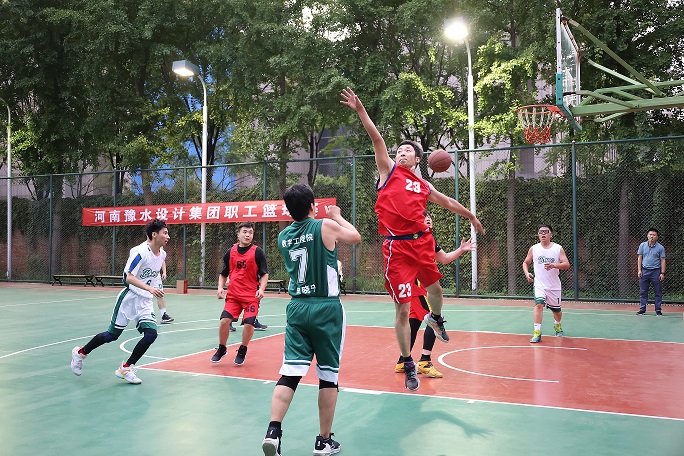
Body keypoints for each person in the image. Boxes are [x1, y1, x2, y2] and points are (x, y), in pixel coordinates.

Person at [341, 87, 485, 391]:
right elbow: (377, 139)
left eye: (407, 151)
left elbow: (447, 202)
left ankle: (436, 318)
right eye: (399, 151)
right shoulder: (388, 171)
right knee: (403, 310)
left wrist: (471, 216)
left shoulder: (422, 186)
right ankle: (408, 362)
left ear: (418, 159)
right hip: (396, 247)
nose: (401, 153)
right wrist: (360, 110)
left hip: (421, 242)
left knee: (436, 290)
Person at [262, 183, 361, 456]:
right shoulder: (325, 226)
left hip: (297, 308)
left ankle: (273, 432)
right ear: (312, 206)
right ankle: (323, 441)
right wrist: (337, 216)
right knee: (328, 377)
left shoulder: (283, 237)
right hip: (326, 309)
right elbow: (355, 237)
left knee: (290, 373)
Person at [70, 219, 169, 384]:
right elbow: (128, 277)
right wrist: (150, 288)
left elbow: (152, 271)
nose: (168, 236)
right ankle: (80, 353)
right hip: (129, 297)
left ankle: (126, 368)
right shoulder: (139, 252)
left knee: (151, 335)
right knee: (112, 335)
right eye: (165, 233)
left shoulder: (162, 254)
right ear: (154, 234)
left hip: (145, 301)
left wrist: (153, 288)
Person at [395, 212, 475, 378]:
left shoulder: (429, 240)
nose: (428, 218)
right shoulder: (412, 238)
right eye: (423, 217)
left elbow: (444, 258)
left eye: (429, 216)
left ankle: (403, 361)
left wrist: (460, 249)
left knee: (414, 322)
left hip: (420, 287)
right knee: (433, 319)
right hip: (416, 286)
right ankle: (425, 361)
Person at [212, 222, 269, 365]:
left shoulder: (257, 252)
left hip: (251, 296)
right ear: (238, 234)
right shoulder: (230, 252)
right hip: (233, 295)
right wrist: (220, 288)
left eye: (250, 232)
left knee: (249, 323)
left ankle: (243, 349)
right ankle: (222, 348)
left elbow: (264, 274)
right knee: (224, 321)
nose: (247, 235)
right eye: (244, 232)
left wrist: (261, 289)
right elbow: (223, 273)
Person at [522, 225, 570, 343]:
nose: (543, 234)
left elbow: (566, 264)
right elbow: (525, 262)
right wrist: (527, 273)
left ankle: (557, 324)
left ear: (550, 234)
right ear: (538, 235)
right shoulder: (534, 248)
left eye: (545, 232)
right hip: (540, 284)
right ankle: (537, 332)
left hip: (554, 286)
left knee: (557, 311)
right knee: (539, 305)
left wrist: (554, 265)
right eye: (540, 232)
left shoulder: (558, 248)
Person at [637, 228, 666, 316]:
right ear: (647, 235)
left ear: (657, 237)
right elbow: (640, 258)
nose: (651, 236)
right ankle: (642, 309)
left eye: (654, 235)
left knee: (658, 292)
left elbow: (663, 260)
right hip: (644, 271)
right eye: (650, 234)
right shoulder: (642, 245)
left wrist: (662, 273)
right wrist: (639, 270)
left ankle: (658, 310)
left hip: (656, 272)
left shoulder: (660, 247)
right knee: (643, 291)